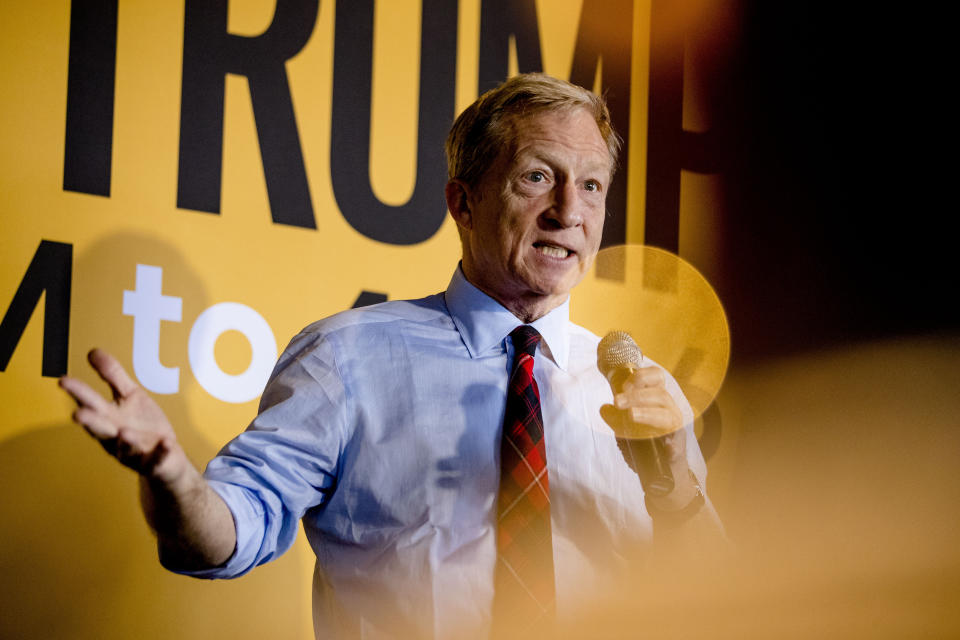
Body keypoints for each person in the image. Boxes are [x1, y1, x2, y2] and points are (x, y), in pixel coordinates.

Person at [59, 73, 721, 639]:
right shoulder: (346, 358)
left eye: (593, 187)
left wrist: (676, 493)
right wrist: (172, 479)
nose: (567, 211)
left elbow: (720, 607)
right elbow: (225, 535)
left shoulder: (641, 392)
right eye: (537, 177)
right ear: (464, 201)